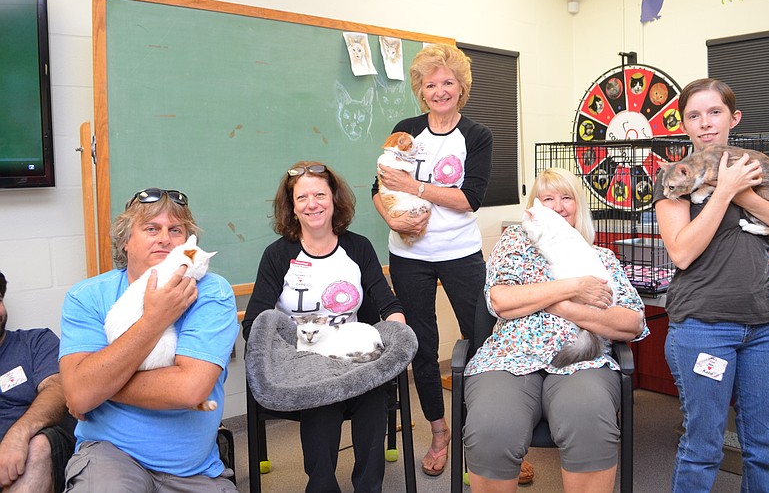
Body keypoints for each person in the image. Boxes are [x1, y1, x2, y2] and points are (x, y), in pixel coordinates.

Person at [653, 78, 769, 492]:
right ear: (684, 124)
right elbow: (682, 253)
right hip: (704, 326)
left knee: (765, 447)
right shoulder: (676, 178)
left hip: (766, 326)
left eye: (715, 112)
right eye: (694, 115)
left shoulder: (753, 173)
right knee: (703, 446)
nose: (705, 123)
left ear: (734, 118)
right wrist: (725, 192)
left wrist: (745, 195)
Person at [462, 168, 648, 493]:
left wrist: (555, 305)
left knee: (589, 421)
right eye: (548, 198)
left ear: (579, 207)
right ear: (535, 207)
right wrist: (573, 287)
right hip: (510, 357)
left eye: (567, 198)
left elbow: (632, 322)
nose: (559, 206)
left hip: (582, 361)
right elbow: (502, 300)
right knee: (491, 428)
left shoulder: (600, 257)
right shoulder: (514, 246)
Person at [59, 188, 239, 492]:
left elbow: (189, 389)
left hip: (193, 469)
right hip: (112, 455)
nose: (165, 238)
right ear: (126, 241)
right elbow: (79, 393)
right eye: (151, 228)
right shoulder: (86, 297)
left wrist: (96, 388)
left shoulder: (211, 293)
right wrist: (155, 319)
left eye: (176, 230)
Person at [242, 161, 407, 493]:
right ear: (291, 206)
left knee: (374, 396)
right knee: (321, 400)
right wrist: (321, 337)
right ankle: (320, 486)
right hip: (303, 362)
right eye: (302, 197)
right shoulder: (277, 256)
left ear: (334, 198)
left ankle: (369, 487)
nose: (312, 204)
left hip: (356, 359)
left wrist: (398, 337)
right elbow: (255, 324)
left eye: (319, 194)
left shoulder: (358, 247)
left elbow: (389, 305)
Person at [371, 43, 493, 477]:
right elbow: (379, 186)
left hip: (461, 254)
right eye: (430, 84)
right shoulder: (406, 130)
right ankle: (439, 433)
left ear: (461, 87)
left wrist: (415, 185)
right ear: (421, 91)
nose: (439, 90)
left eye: (448, 82)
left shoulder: (476, 136)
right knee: (421, 346)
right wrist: (393, 217)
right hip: (409, 256)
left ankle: (493, 435)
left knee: (483, 339)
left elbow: (469, 199)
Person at [0, 271, 74, 493]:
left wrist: (17, 435)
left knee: (38, 446)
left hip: (33, 447)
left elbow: (57, 389)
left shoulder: (36, 342)